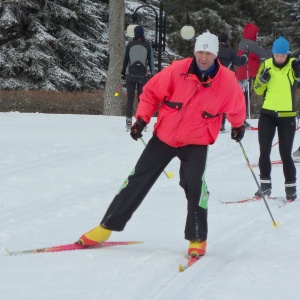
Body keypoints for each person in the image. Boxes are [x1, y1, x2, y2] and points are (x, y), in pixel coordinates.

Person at [77, 31, 246, 258]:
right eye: (200, 52)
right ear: (194, 52)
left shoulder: (226, 81)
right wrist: (141, 119)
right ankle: (105, 228)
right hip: (165, 137)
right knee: (137, 179)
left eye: (208, 53)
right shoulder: (178, 70)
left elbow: (236, 107)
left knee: (194, 185)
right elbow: (150, 94)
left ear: (215, 55)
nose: (203, 57)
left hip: (196, 141)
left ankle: (197, 238)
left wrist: (237, 126)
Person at [253, 36, 300, 201]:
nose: (280, 58)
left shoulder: (293, 65)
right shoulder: (266, 65)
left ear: (287, 54)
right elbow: (257, 90)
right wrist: (261, 80)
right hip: (267, 114)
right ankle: (265, 186)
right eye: (277, 55)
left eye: (283, 55)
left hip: (287, 116)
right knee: (264, 150)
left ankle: (291, 188)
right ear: (273, 53)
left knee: (285, 153)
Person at [235, 23, 272, 128]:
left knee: (242, 97)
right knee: (246, 97)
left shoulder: (243, 42)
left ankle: (240, 118)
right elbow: (264, 53)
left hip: (240, 74)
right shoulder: (251, 44)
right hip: (247, 74)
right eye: (256, 33)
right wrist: (275, 50)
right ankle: (241, 120)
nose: (257, 35)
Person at [121, 25, 156, 130]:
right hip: (142, 76)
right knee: (142, 100)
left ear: (134, 33)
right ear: (143, 34)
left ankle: (128, 122)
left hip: (130, 75)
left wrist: (122, 73)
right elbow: (151, 62)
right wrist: (153, 75)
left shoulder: (130, 45)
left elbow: (125, 60)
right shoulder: (147, 46)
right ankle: (142, 122)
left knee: (130, 100)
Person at [218, 32, 248, 132]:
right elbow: (240, 62)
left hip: (213, 79)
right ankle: (227, 122)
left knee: (215, 101)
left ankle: (217, 123)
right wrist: (245, 55)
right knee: (226, 101)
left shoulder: (213, 51)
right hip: (227, 80)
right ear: (227, 42)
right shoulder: (229, 52)